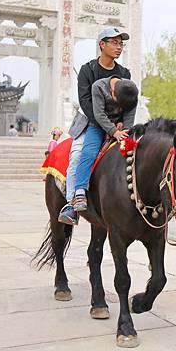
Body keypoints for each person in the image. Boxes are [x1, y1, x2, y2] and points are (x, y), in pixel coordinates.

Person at [58, 26, 131, 224]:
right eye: (114, 43)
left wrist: (122, 124)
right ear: (102, 45)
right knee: (78, 155)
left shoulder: (124, 73)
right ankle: (72, 203)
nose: (119, 47)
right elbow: (86, 103)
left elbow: (128, 101)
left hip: (118, 124)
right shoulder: (88, 70)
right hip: (90, 121)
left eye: (121, 43)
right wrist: (107, 127)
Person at [71, 76, 138, 212]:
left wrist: (125, 130)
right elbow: (99, 114)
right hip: (97, 125)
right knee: (88, 153)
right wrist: (114, 132)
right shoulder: (98, 87)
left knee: (132, 150)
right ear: (112, 92)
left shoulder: (131, 92)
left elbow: (130, 117)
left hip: (120, 126)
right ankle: (79, 191)